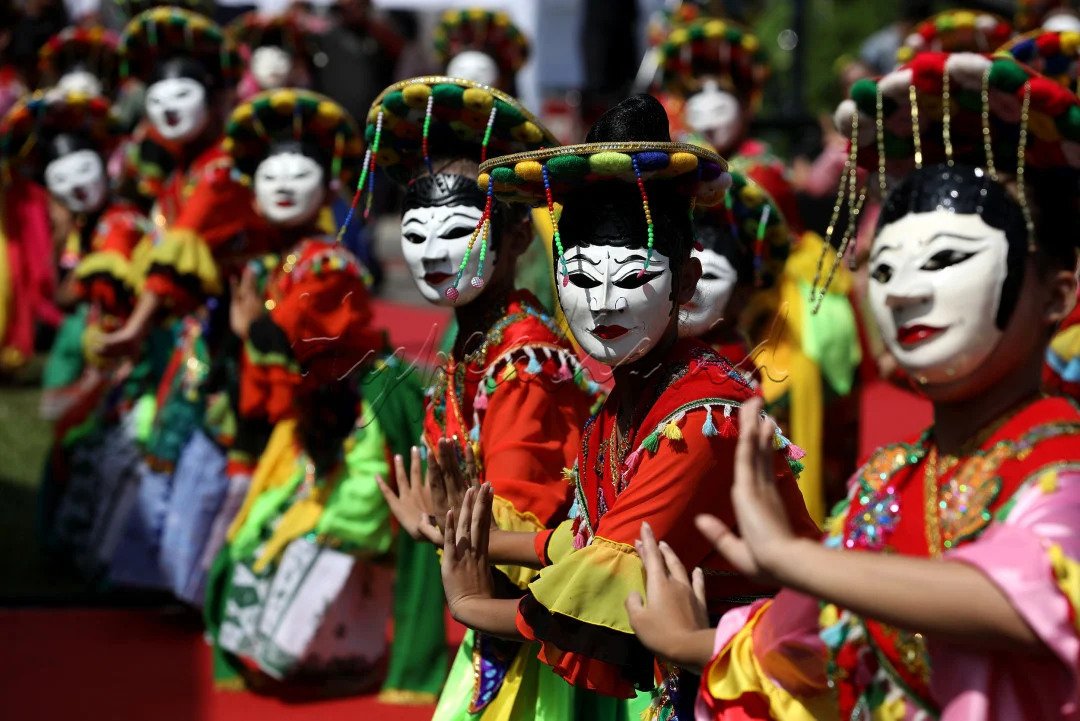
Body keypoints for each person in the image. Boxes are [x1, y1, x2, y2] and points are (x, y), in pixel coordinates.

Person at [632, 51, 1080, 720]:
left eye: (948, 258)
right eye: (886, 266)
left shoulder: (1061, 471)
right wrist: (687, 639)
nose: (904, 292)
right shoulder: (887, 481)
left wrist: (794, 559)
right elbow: (813, 646)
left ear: (1058, 294)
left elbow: (1031, 593)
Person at [432, 94, 818, 719]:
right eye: (581, 279)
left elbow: (604, 581)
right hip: (704, 676)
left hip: (767, 683)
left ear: (687, 282)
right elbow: (591, 542)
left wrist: (473, 606)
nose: (604, 303)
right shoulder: (621, 405)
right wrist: (471, 534)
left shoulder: (699, 416)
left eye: (633, 275)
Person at [365, 75, 600, 714]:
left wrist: (444, 529)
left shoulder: (522, 360)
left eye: (457, 232)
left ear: (518, 238)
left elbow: (530, 515)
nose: (432, 256)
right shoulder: (476, 339)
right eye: (415, 235)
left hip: (539, 622)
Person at [678, 168, 792, 387]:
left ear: (741, 295)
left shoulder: (733, 373)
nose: (693, 286)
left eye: (710, 276)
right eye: (683, 273)